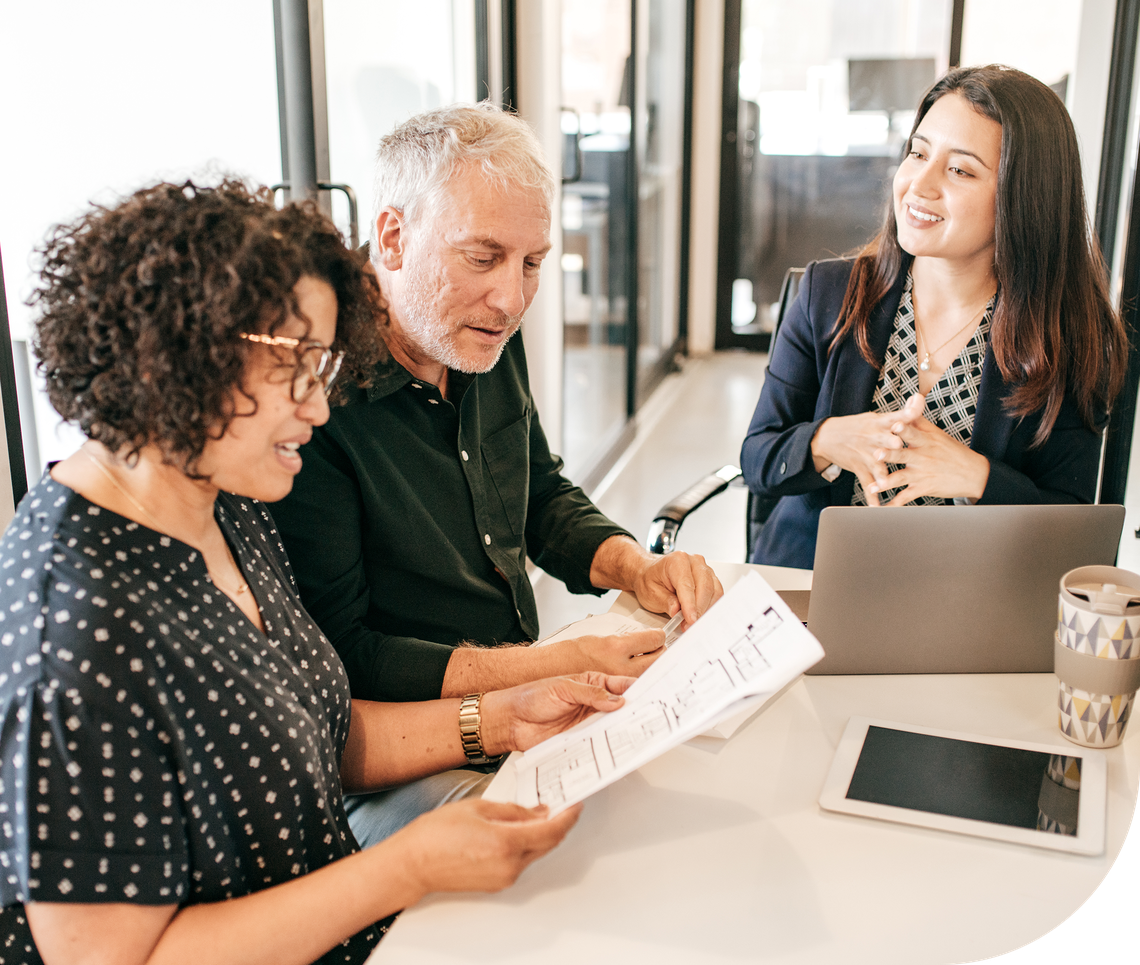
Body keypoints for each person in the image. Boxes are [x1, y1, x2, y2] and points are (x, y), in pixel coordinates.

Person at [0, 179, 640, 965]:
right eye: (297, 366)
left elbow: (316, 734)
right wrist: (402, 866)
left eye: (322, 365)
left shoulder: (222, 503)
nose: (320, 405)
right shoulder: (79, 628)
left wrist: (507, 716)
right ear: (181, 352)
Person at [269, 102, 721, 706]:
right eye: (482, 258)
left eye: (532, 263)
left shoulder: (476, 329)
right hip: (416, 734)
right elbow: (347, 657)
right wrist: (546, 666)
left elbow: (537, 495)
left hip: (523, 690)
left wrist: (637, 568)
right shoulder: (312, 401)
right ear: (394, 238)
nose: (511, 299)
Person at [740, 65, 1128, 569]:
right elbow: (758, 460)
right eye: (918, 153)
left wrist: (977, 478)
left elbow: (1072, 531)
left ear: (1023, 197)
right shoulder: (828, 294)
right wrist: (829, 440)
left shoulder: (1064, 336)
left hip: (966, 598)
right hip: (810, 587)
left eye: (960, 170)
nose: (918, 185)